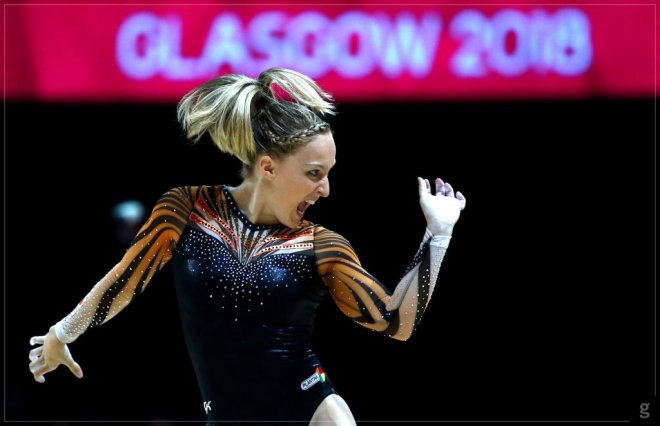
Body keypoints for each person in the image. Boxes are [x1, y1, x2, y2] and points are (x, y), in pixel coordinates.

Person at [28, 67, 466, 424]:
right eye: (314, 173)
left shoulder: (321, 246)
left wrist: (438, 234)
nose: (326, 189)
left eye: (329, 173)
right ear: (268, 167)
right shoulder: (186, 209)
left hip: (313, 414)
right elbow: (126, 278)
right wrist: (62, 333)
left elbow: (395, 321)